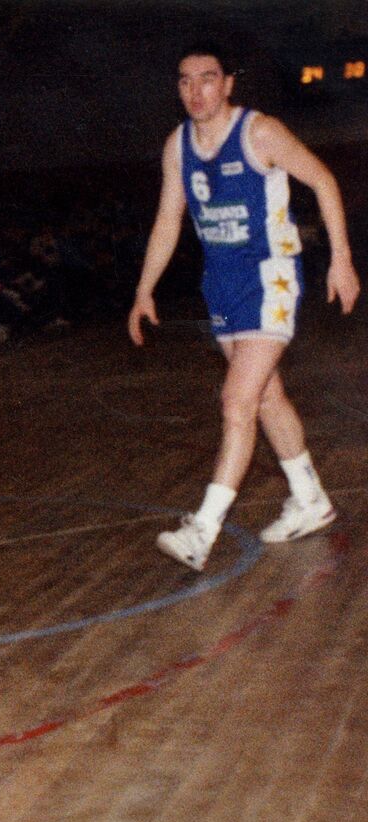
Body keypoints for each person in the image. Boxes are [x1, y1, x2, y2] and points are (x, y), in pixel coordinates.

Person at [128, 43, 360, 571]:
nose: (196, 91)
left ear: (228, 83)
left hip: (270, 277)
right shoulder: (178, 145)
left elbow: (323, 180)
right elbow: (168, 219)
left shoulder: (260, 132)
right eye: (185, 81)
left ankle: (202, 529)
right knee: (264, 396)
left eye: (207, 79)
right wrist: (145, 288)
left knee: (236, 399)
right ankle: (310, 498)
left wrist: (340, 260)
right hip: (222, 284)